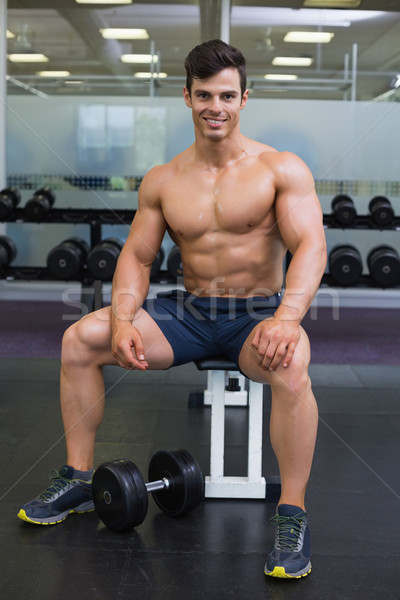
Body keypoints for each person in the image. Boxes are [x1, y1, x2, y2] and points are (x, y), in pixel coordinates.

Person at [18, 39, 327, 579]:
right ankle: (79, 479)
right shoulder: (164, 179)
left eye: (227, 95)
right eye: (204, 94)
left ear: (244, 98)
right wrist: (119, 320)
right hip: (189, 312)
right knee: (79, 340)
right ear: (186, 97)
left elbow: (312, 248)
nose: (216, 106)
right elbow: (137, 257)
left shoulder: (280, 168)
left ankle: (292, 515)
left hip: (257, 314)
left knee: (294, 365)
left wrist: (287, 318)